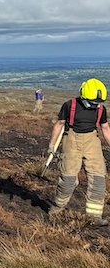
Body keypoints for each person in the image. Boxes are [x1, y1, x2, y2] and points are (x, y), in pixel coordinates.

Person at [48, 79, 110, 225]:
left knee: (98, 178)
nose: (95, 105)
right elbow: (59, 124)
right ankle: (57, 209)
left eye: (97, 103)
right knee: (68, 179)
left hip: (92, 141)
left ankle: (94, 217)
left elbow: (105, 128)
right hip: (72, 140)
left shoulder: (101, 109)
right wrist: (52, 145)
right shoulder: (69, 105)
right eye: (92, 102)